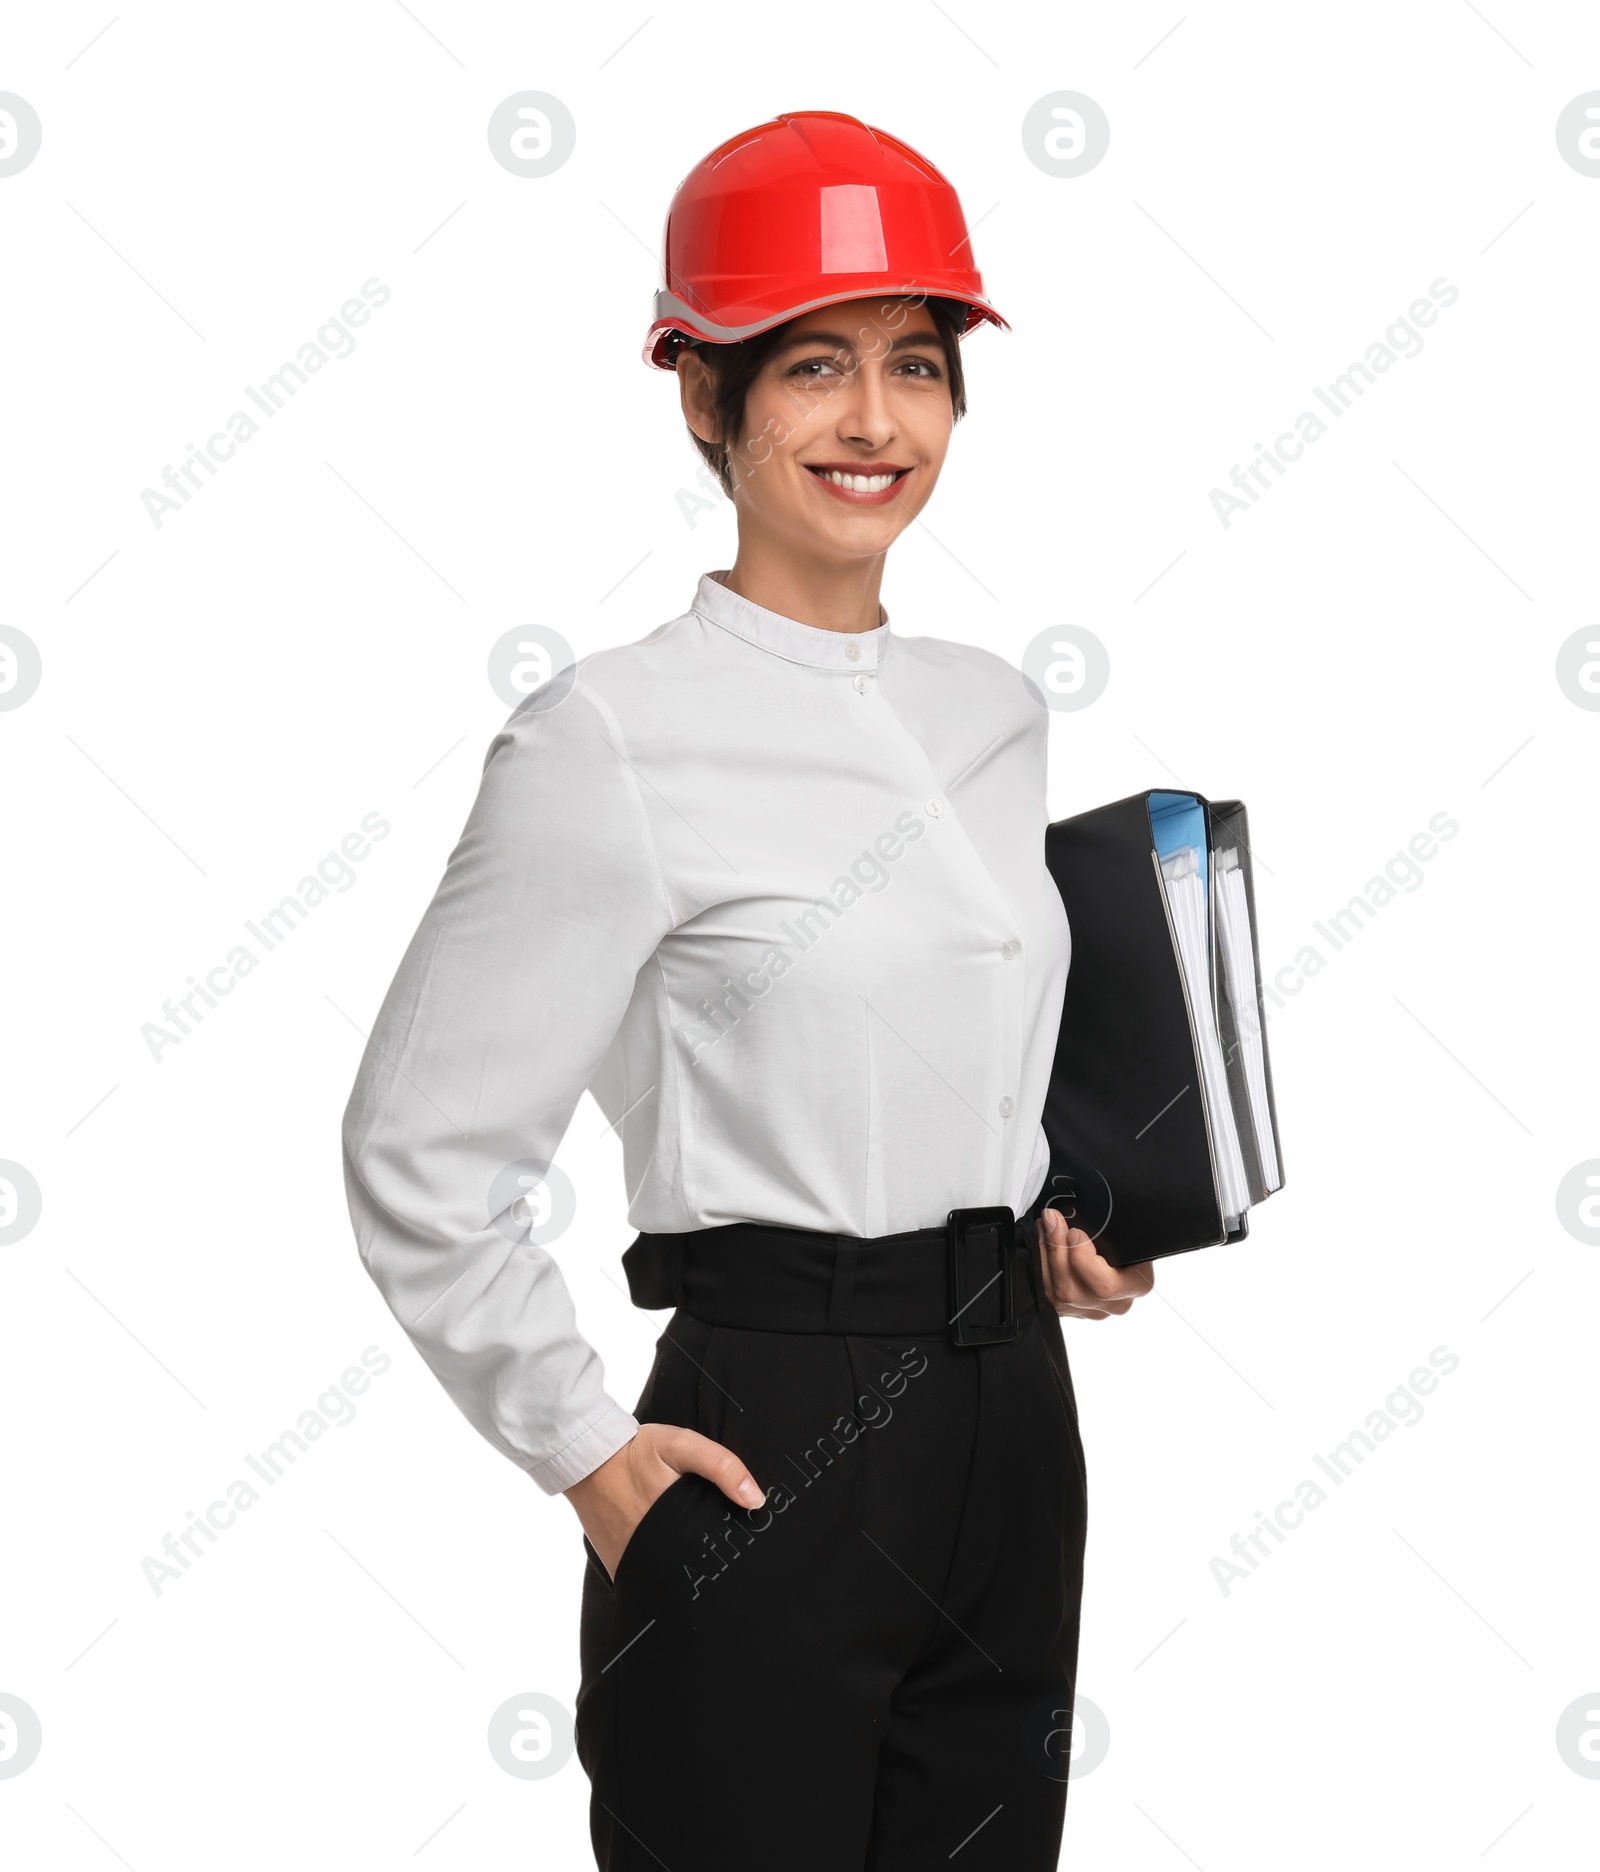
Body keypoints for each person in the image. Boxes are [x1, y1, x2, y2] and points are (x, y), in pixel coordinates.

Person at [340, 109, 1153, 1871]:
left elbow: (946, 1058)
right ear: (704, 399)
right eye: (813, 367)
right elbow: (419, 1150)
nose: (875, 422)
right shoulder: (607, 739)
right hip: (767, 1440)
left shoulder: (995, 712)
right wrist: (583, 1451)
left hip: (1017, 1432)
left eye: (917, 368)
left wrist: (1053, 1236)